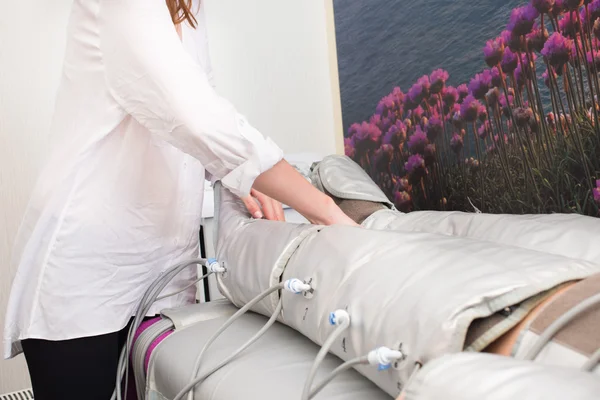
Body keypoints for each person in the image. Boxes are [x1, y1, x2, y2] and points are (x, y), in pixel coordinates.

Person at [2, 1, 357, 399]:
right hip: (86, 279)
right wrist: (325, 210)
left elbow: (196, 113)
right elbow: (196, 119)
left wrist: (241, 178)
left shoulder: (188, 7)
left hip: (157, 274)